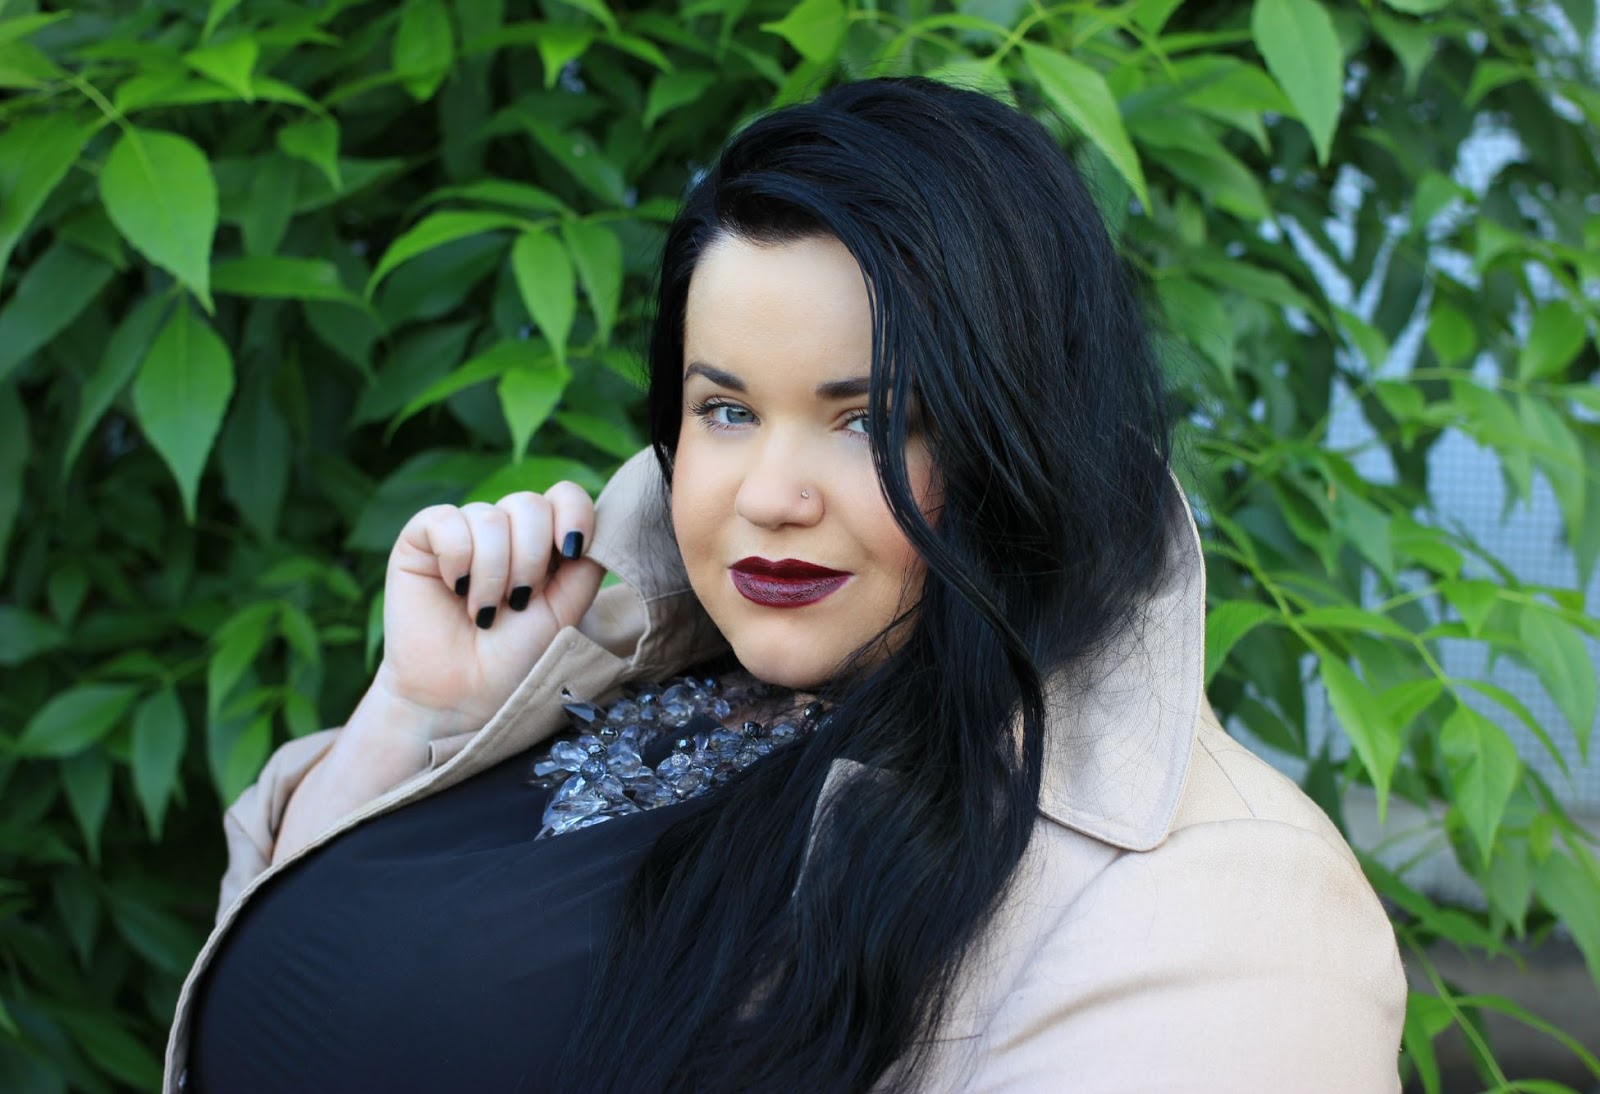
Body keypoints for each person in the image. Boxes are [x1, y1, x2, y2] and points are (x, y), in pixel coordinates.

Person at [162, 77, 1406, 1092]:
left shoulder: (1220, 903)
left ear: (1020, 444)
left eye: (871, 420)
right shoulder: (616, 663)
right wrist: (417, 719)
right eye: (726, 408)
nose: (769, 494)